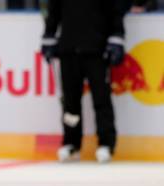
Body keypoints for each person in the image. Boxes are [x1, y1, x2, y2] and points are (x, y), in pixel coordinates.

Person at [41, 0, 126, 163]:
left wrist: (117, 38)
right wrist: (49, 36)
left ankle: (106, 143)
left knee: (102, 99)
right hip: (68, 49)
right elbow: (54, 11)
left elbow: (115, 11)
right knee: (70, 102)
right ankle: (71, 142)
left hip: (97, 50)